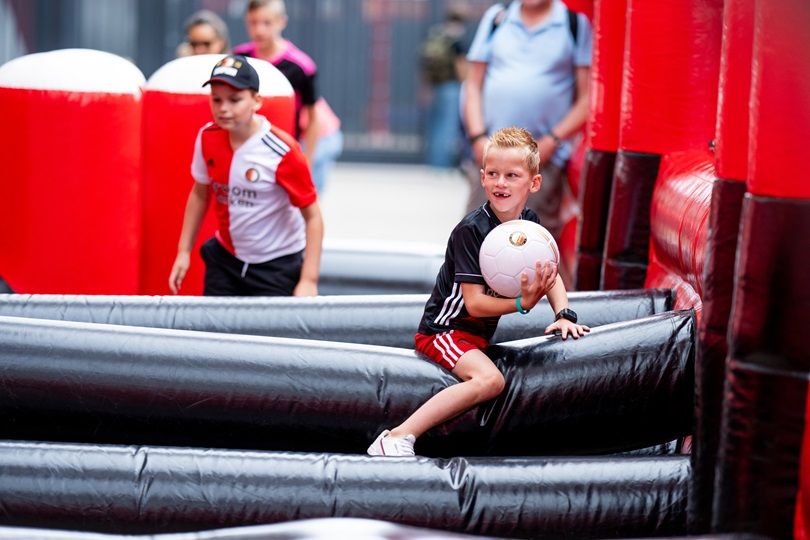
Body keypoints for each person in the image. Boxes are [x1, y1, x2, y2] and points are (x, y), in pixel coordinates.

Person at [367, 127, 590, 457]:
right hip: (445, 331)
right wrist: (522, 304)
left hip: (476, 338)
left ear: (534, 183)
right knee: (492, 381)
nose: (501, 183)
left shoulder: (528, 224)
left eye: (512, 175)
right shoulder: (471, 231)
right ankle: (398, 435)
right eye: (494, 174)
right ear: (482, 178)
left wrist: (563, 315)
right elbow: (473, 303)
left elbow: (549, 274)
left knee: (492, 379)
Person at [168, 55, 323, 297]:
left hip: (277, 263)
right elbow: (200, 193)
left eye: (235, 100)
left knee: (267, 333)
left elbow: (313, 217)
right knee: (214, 329)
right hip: (227, 257)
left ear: (256, 101)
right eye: (216, 99)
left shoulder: (282, 150)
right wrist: (183, 251)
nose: (223, 108)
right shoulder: (208, 137)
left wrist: (308, 280)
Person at [462, 0, 592, 240]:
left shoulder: (573, 25)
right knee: (473, 241)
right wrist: (478, 138)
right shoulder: (496, 19)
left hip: (540, 161)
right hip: (490, 157)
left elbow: (587, 99)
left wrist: (551, 141)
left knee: (530, 245)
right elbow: (472, 84)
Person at [233, 0, 343, 193]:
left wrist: (306, 162)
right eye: (253, 22)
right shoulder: (240, 57)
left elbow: (312, 119)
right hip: (275, 136)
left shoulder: (300, 65)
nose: (259, 30)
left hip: (318, 136)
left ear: (281, 22)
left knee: (304, 198)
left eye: (267, 23)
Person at [419, 5, 469, 168]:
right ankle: (442, 165)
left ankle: (433, 161)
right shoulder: (456, 40)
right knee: (448, 126)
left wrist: (425, 86)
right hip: (452, 87)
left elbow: (425, 63)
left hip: (436, 86)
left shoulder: (436, 35)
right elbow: (461, 68)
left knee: (436, 125)